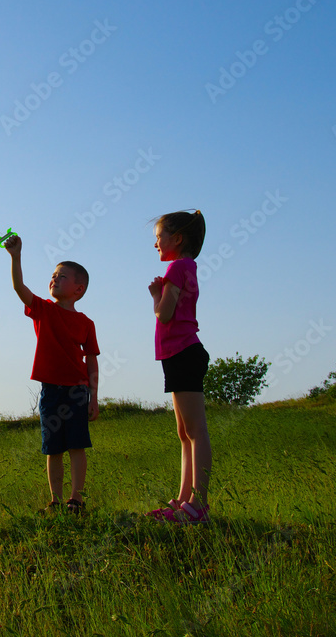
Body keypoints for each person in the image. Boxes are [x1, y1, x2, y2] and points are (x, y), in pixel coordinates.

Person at [4, 234, 100, 514]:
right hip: (50, 391)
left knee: (77, 446)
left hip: (77, 391)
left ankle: (76, 499)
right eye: (53, 275)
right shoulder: (43, 310)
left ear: (78, 289)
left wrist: (94, 396)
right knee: (53, 448)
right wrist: (16, 257)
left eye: (63, 276)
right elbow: (19, 288)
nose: (54, 279)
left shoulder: (86, 323)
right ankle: (56, 501)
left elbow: (92, 361)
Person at [147, 210, 212, 524]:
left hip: (183, 352)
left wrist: (156, 296)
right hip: (179, 354)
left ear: (177, 238)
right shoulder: (187, 266)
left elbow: (165, 314)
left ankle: (197, 505)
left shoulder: (176, 268)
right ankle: (184, 500)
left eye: (159, 237)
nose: (156, 244)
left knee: (195, 431)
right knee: (185, 433)